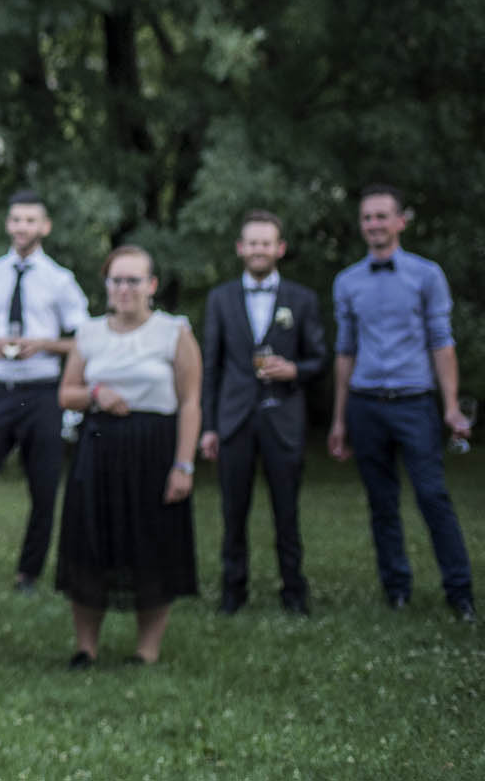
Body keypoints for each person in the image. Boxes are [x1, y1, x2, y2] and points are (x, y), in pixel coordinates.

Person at [328, 186, 473, 620]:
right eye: (367, 217)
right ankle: (396, 589)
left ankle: (460, 592)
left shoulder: (427, 275)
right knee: (382, 502)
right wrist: (339, 419)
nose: (373, 224)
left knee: (432, 495)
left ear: (400, 222)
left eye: (381, 216)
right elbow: (345, 352)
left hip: (414, 404)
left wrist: (450, 406)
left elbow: (442, 342)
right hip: (365, 404)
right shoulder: (347, 281)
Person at [56, 245, 201, 666]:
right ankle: (86, 646)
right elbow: (66, 394)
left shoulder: (174, 332)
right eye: (116, 280)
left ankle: (146, 649)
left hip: (154, 449)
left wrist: (183, 465)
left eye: (133, 280)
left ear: (151, 285)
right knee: (89, 542)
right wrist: (96, 393)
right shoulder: (89, 333)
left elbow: (190, 402)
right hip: (98, 448)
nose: (124, 288)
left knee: (152, 542)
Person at [0, 190, 90, 593]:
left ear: (44, 227)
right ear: (8, 224)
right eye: (16, 219)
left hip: (42, 392)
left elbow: (84, 340)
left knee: (44, 486)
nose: (22, 227)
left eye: (30, 220)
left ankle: (28, 574)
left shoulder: (60, 280)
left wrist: (44, 344)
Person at [198, 210, 326, 615]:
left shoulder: (302, 299)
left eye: (266, 243)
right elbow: (211, 367)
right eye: (252, 243)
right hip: (234, 418)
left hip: (283, 418)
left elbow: (319, 359)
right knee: (233, 512)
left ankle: (294, 592)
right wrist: (208, 426)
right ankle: (233, 592)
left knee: (287, 512)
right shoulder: (220, 298)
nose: (258, 249)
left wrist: (293, 370)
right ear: (240, 248)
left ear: (279, 248)